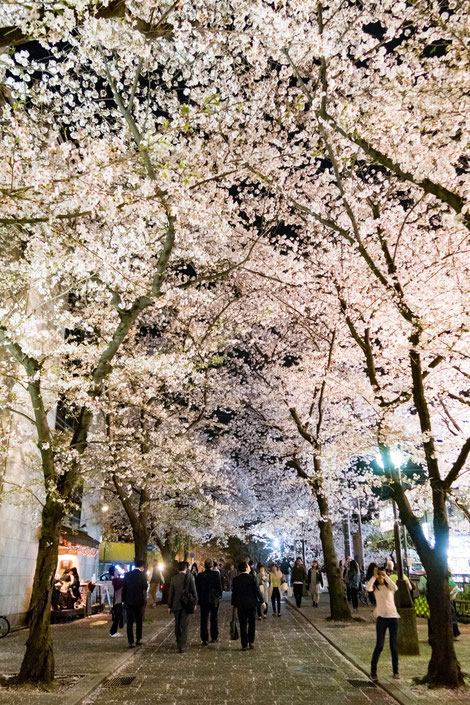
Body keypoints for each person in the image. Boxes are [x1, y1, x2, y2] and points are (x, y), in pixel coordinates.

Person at [366, 566, 400, 682]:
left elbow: (395, 587)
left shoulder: (388, 586)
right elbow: (368, 588)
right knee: (379, 645)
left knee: (393, 646)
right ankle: (373, 671)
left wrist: (386, 576)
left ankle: (396, 671)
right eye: (379, 575)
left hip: (393, 617)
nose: (380, 577)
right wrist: (374, 576)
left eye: (382, 575)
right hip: (381, 618)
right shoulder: (375, 588)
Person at [231, 561, 265, 650]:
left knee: (242, 624)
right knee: (252, 623)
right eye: (248, 567)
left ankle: (244, 644)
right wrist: (262, 601)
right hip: (251, 604)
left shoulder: (236, 579)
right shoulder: (252, 578)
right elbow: (257, 591)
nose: (250, 567)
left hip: (241, 605)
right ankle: (251, 641)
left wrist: (234, 605)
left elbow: (234, 594)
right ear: (246, 568)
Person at [168, 561, 198, 653]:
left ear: (178, 569)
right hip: (186, 605)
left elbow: (171, 593)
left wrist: (169, 606)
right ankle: (182, 645)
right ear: (186, 568)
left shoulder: (174, 578)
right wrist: (195, 603)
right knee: (184, 625)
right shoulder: (190, 577)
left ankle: (178, 641)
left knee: (177, 624)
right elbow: (194, 591)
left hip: (176, 605)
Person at [195, 558, 223, 645]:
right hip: (213, 598)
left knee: (204, 618)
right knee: (214, 617)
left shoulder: (200, 576)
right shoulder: (216, 574)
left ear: (204, 565)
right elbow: (219, 587)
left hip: (203, 599)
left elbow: (197, 588)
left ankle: (204, 638)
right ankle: (214, 637)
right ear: (211, 565)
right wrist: (219, 595)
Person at [122, 559, 148, 648]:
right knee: (139, 621)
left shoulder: (128, 575)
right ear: (142, 567)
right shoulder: (143, 575)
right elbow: (145, 586)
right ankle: (138, 639)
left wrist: (123, 600)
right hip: (139, 601)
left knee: (129, 622)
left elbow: (124, 588)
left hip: (128, 601)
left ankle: (131, 641)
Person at [110, 567, 125, 637]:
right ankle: (112, 632)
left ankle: (114, 631)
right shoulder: (116, 580)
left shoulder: (116, 580)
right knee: (117, 618)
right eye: (116, 569)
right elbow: (125, 581)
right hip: (118, 601)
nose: (118, 570)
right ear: (114, 572)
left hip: (118, 600)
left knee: (118, 617)